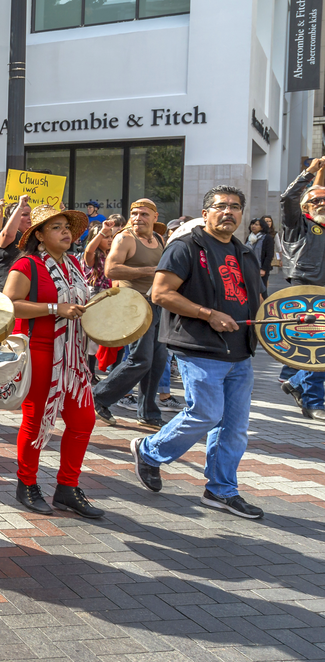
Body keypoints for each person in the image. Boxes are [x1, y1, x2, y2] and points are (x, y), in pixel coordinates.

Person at [131, 186, 266, 519]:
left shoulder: (245, 253)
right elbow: (161, 294)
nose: (229, 212)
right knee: (206, 414)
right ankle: (149, 452)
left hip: (240, 353)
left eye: (236, 207)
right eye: (221, 206)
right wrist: (208, 314)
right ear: (205, 213)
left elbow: (259, 302)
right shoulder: (186, 246)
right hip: (200, 347)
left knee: (234, 427)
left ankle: (221, 490)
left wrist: (281, 331)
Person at [2, 205, 103, 519]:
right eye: (56, 227)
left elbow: (77, 304)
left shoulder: (74, 264)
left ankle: (67, 488)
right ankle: (27, 484)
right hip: (38, 350)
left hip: (71, 354)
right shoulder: (27, 264)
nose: (66, 232)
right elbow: (9, 305)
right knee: (36, 422)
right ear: (40, 236)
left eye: (67, 227)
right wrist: (53, 308)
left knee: (83, 420)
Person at [92, 201, 168, 429]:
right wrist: (148, 271)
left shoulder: (159, 239)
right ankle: (98, 397)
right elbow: (111, 270)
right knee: (141, 359)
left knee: (157, 361)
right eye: (134, 213)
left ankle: (147, 411)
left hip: (156, 304)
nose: (137, 218)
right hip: (133, 304)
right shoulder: (125, 238)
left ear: (155, 216)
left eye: (144, 214)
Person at [277, 160, 325, 413]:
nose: (321, 203)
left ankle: (296, 382)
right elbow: (287, 198)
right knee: (317, 346)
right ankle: (313, 402)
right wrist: (310, 172)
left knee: (319, 349)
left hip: (323, 294)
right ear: (305, 207)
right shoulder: (299, 225)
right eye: (315, 201)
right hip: (305, 292)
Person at [0, 197, 32, 292]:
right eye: (25, 214)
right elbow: (8, 234)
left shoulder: (32, 238)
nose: (30, 218)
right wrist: (20, 206)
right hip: (3, 293)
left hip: (23, 293)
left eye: (31, 214)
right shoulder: (9, 236)